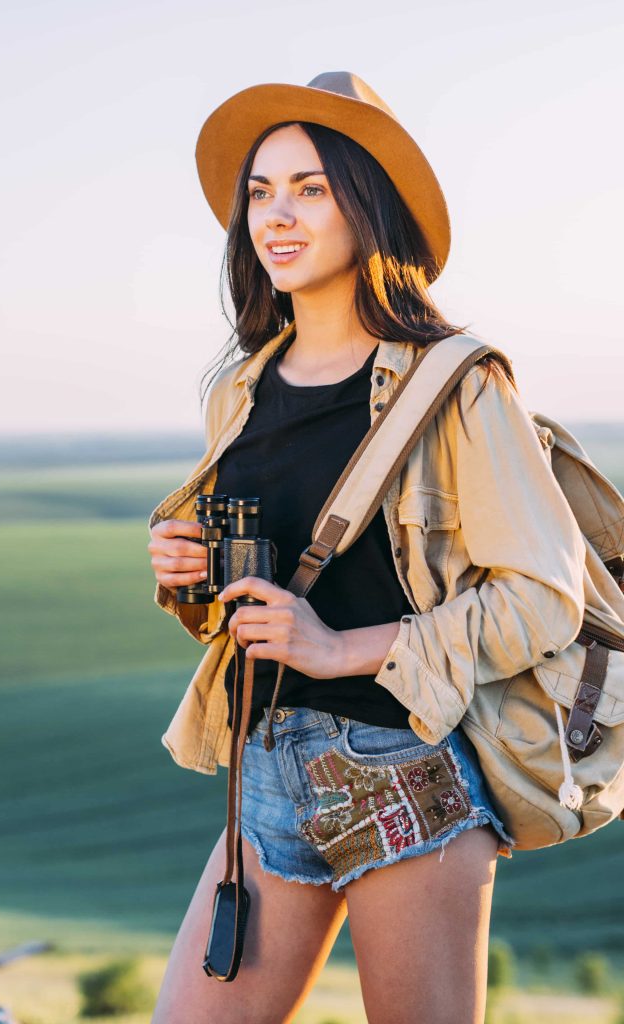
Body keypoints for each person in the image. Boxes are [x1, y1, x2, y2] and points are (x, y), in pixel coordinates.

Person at [145, 72, 587, 1024]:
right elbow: (271, 607)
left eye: (310, 187)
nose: (277, 214)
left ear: (369, 202)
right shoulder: (242, 388)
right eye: (261, 191)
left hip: (405, 776)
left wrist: (346, 647)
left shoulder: (460, 385)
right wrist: (194, 580)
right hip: (264, 768)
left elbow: (546, 597)